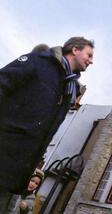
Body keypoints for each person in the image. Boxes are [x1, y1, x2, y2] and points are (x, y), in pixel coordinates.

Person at [0, 37, 94, 212]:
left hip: (15, 172)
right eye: (88, 55)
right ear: (75, 50)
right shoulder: (40, 62)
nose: (91, 61)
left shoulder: (68, 90)